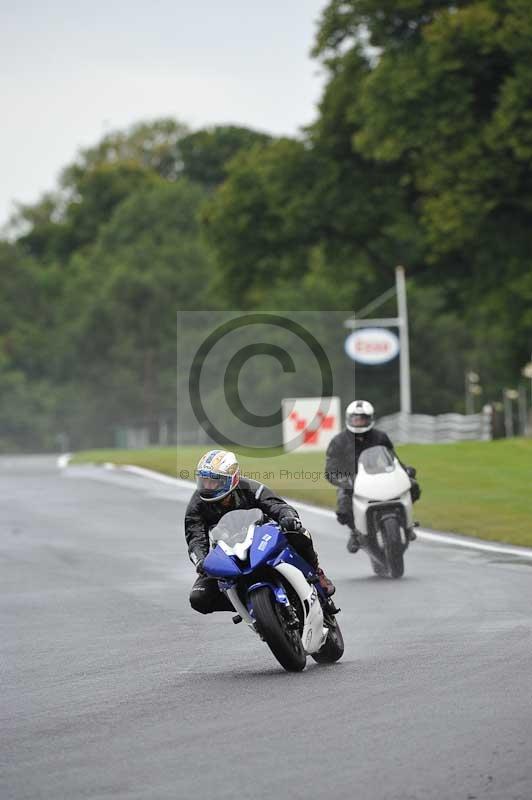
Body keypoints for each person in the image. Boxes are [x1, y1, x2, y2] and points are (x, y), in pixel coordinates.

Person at [185, 449, 336, 615]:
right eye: (203, 481)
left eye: (213, 482)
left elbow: (277, 505)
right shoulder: (197, 505)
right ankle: (248, 604)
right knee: (199, 598)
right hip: (228, 553)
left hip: (261, 538)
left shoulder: (250, 488)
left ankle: (316, 573)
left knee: (299, 533)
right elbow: (195, 537)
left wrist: (288, 517)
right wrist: (201, 560)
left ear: (230, 479)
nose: (207, 487)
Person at [325, 400, 421, 553]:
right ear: (348, 419)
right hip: (352, 482)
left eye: (362, 418)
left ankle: (406, 524)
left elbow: (393, 458)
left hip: (380, 476)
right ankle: (356, 532)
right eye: (355, 418)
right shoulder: (338, 441)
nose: (358, 422)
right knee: (344, 507)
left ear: (370, 419)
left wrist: (405, 470)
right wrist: (342, 480)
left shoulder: (380, 437)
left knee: (413, 485)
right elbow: (331, 468)